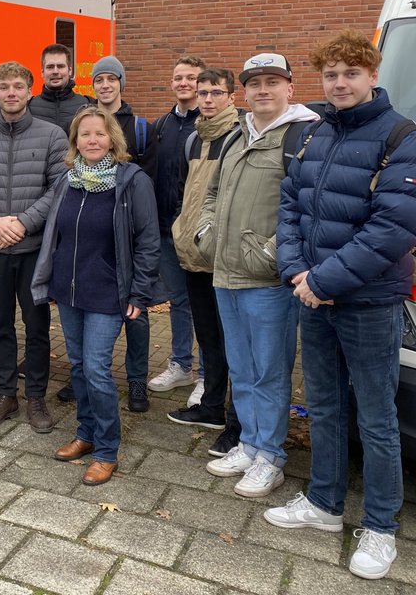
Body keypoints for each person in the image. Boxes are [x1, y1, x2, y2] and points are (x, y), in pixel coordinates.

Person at [265, 30, 416, 580]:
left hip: (368, 303)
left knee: (377, 418)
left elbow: (393, 228)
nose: (340, 83)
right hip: (312, 293)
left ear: (372, 75)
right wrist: (295, 269)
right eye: (331, 74)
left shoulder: (402, 137)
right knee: (325, 405)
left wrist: (323, 279)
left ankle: (379, 527)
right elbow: (290, 206)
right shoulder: (313, 134)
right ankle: (325, 504)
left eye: (351, 73)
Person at [196, 53, 319, 496]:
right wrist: (207, 233)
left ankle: (271, 455)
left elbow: (309, 206)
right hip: (225, 273)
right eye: (255, 83)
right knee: (243, 369)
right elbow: (212, 193)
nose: (262, 90)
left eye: (273, 81)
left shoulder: (303, 137)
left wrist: (272, 252)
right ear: (244, 91)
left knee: (269, 371)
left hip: (268, 280)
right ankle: (249, 443)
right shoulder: (236, 136)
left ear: (290, 87)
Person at [32, 106, 160, 485]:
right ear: (75, 141)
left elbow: (148, 241)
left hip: (110, 292)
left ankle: (107, 449)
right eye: (84, 134)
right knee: (77, 366)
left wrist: (140, 292)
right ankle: (86, 434)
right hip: (70, 289)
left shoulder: (132, 180)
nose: (92, 140)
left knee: (97, 369)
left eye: (100, 134)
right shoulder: (67, 180)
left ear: (113, 140)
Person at [0, 61, 67, 432]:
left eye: (18, 86)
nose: (11, 93)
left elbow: (59, 187)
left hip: (34, 249)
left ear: (30, 91)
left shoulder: (53, 136)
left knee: (36, 326)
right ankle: (5, 394)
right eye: (4, 87)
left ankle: (35, 396)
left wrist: (21, 223)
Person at [168, 68, 241, 456]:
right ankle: (211, 407)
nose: (208, 99)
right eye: (203, 92)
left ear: (231, 96)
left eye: (216, 92)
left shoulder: (239, 137)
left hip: (225, 258)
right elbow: (188, 193)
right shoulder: (194, 139)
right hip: (194, 255)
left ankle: (236, 422)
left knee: (234, 344)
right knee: (210, 338)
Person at [85, 55, 158, 412]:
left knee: (136, 314)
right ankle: (87, 376)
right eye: (99, 79)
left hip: (128, 232)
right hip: (95, 233)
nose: (105, 85)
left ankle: (136, 380)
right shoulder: (86, 121)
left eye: (111, 79)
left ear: (120, 84)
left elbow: (149, 181)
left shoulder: (140, 128)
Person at [148, 55, 203, 400]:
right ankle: (181, 364)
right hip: (166, 228)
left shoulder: (212, 123)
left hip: (198, 233)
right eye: (178, 77)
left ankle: (207, 376)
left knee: (205, 305)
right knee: (179, 301)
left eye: (191, 78)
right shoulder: (161, 126)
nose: (184, 83)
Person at [28, 44, 91, 133]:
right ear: (42, 72)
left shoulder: (86, 105)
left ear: (70, 70)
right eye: (50, 67)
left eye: (60, 66)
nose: (55, 71)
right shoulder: (28, 107)